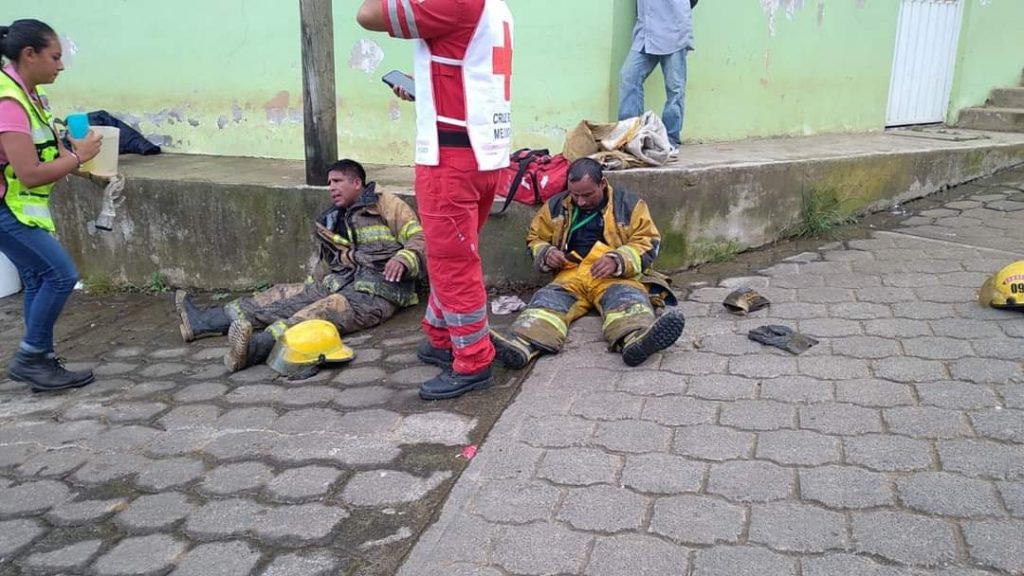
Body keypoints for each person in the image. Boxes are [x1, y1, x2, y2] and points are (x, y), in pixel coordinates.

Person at [357, 0, 514, 400]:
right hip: (482, 153)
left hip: (450, 160)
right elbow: (463, 69)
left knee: (451, 263)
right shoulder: (496, 6)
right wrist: (422, 86)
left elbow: (367, 14)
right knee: (454, 254)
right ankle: (441, 337)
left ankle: (473, 360)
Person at [174, 159, 426, 373]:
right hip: (339, 283)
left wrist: (404, 257)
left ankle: (254, 348)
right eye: (329, 183)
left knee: (318, 311)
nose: (332, 188)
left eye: (337, 181)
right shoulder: (331, 218)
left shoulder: (386, 203)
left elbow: (420, 237)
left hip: (377, 292)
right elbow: (326, 264)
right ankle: (202, 322)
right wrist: (305, 289)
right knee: (280, 295)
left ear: (357, 183)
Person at [490, 158, 685, 369]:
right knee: (546, 303)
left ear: (602, 184)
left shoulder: (629, 205)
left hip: (613, 276)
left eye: (587, 195)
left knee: (626, 301)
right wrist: (547, 253)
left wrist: (618, 259)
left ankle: (634, 340)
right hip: (570, 273)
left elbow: (649, 242)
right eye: (575, 195)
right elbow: (535, 239)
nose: (581, 201)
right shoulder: (556, 206)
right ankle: (522, 345)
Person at [0, 20, 103, 392]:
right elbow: (29, 173)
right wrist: (78, 159)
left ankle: (39, 362)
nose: (60, 66)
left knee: (38, 277)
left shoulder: (29, 95)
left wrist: (87, 166)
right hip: (6, 208)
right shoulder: (8, 101)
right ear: (30, 55)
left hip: (17, 205)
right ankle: (30, 357)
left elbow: (54, 151)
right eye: (55, 57)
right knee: (60, 275)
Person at [617, 0, 695, 152]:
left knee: (675, 88)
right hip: (645, 31)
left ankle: (670, 141)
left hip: (674, 30)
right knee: (628, 77)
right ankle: (630, 136)